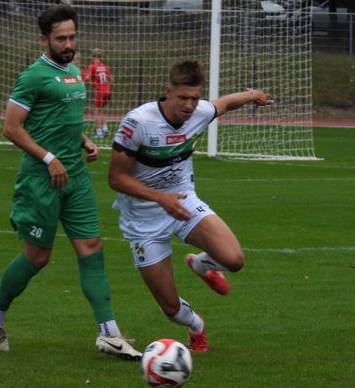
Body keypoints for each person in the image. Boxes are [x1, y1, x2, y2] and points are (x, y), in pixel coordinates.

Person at [0, 4, 142, 361]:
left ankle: (109, 333)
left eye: (72, 37)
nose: (69, 44)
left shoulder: (74, 72)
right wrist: (48, 158)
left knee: (92, 248)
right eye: (61, 39)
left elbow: (58, 118)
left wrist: (83, 139)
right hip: (41, 179)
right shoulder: (33, 76)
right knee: (37, 257)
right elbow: (11, 128)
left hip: (76, 177)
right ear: (44, 39)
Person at [108, 60, 274, 352]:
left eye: (195, 98)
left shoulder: (200, 112)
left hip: (184, 203)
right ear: (168, 91)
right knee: (171, 308)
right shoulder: (139, 122)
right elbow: (116, 178)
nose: (189, 105)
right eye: (183, 97)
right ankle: (196, 325)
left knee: (234, 260)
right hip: (143, 221)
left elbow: (224, 104)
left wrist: (251, 96)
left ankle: (200, 264)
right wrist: (161, 198)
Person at [84, 48, 113, 139]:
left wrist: (85, 80)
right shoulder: (104, 66)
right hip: (108, 90)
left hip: (100, 91)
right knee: (102, 111)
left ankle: (99, 132)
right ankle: (105, 129)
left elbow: (87, 77)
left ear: (92, 56)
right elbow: (111, 78)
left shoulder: (92, 66)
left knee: (96, 111)